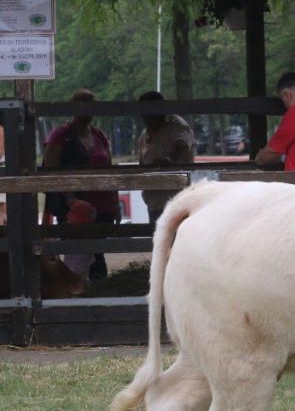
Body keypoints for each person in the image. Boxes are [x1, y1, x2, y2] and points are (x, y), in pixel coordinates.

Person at [42, 88, 120, 279]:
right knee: (76, 253)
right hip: (74, 207)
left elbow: (110, 170)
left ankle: (97, 292)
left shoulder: (99, 134)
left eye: (91, 111)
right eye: (83, 111)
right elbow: (51, 171)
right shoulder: (60, 135)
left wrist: (115, 203)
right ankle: (76, 293)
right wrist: (70, 198)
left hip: (101, 205)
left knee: (97, 252)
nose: (87, 116)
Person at [136, 90, 196, 222]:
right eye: (143, 116)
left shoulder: (177, 125)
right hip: (154, 203)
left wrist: (168, 160)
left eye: (149, 115)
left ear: (160, 111)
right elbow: (141, 162)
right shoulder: (144, 135)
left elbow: (182, 145)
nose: (146, 120)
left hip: (177, 202)